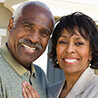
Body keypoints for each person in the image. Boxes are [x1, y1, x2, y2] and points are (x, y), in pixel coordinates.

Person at [0, 1, 55, 98]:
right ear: (11, 25)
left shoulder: (40, 76)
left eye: (44, 33)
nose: (34, 39)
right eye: (28, 27)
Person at [48, 12, 98, 98]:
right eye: (63, 42)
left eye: (79, 43)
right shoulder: (51, 91)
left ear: (91, 52)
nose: (69, 49)